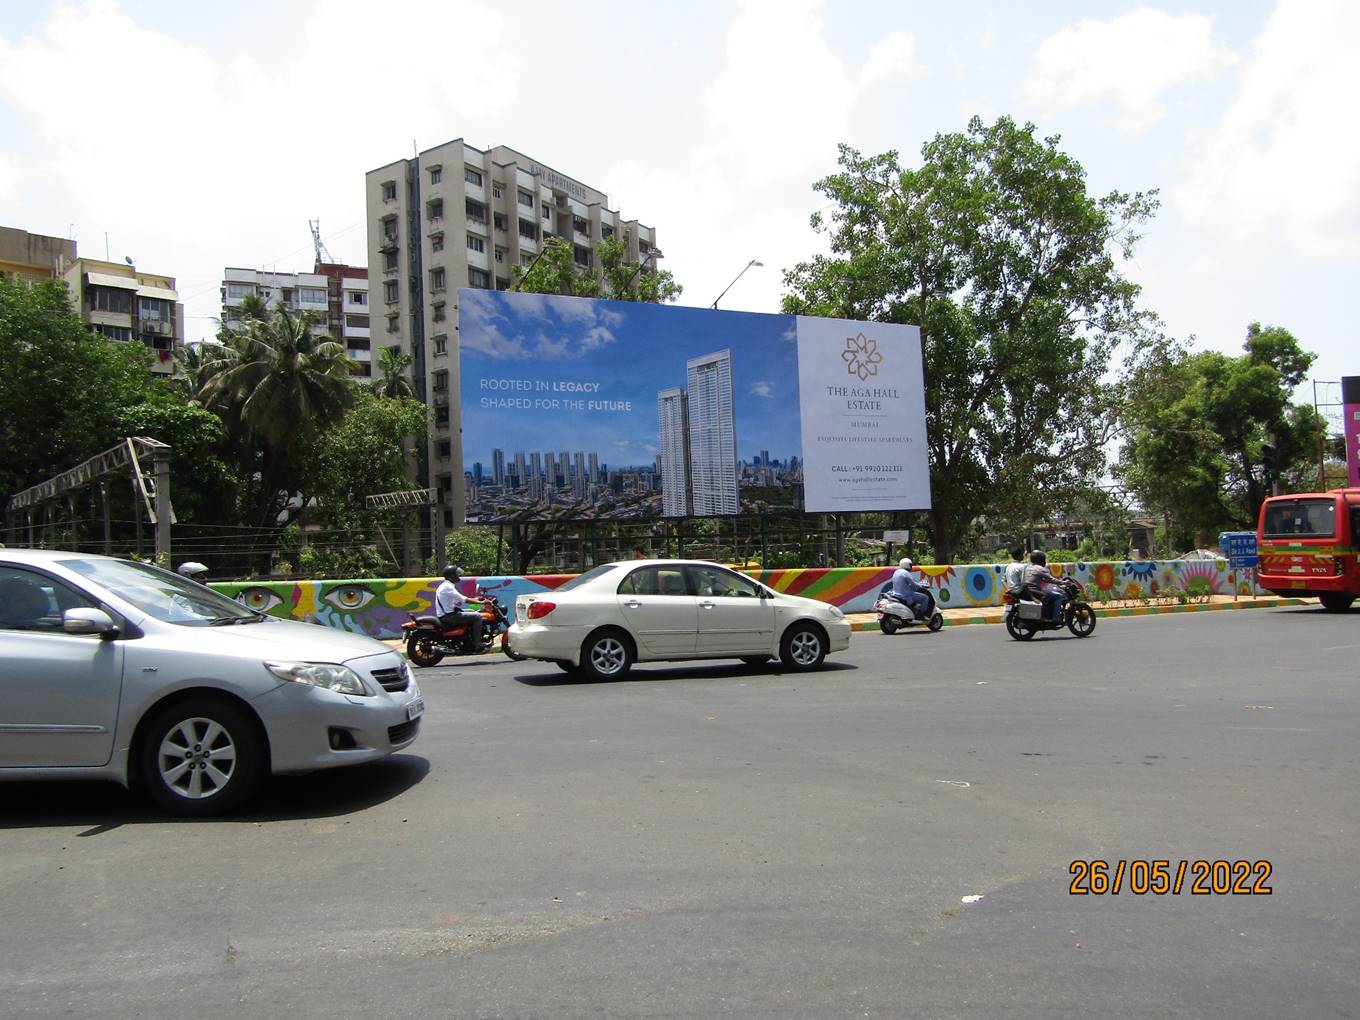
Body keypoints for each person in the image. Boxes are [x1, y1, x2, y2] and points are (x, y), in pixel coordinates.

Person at [435, 565, 485, 652]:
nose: (459, 576)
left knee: (471, 611)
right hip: (449, 616)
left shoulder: (446, 585)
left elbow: (459, 598)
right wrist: (481, 602)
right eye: (457, 574)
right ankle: (477, 644)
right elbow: (464, 599)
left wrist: (477, 599)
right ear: (452, 576)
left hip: (448, 614)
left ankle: (468, 639)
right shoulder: (448, 587)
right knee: (477, 616)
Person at [1024, 550, 1066, 623]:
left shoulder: (1028, 567)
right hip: (1036, 591)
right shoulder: (1040, 568)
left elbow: (1044, 579)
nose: (1045, 561)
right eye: (1044, 559)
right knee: (1059, 596)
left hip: (1027, 591)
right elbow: (1051, 579)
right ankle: (1056, 619)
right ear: (1040, 559)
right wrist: (1063, 582)